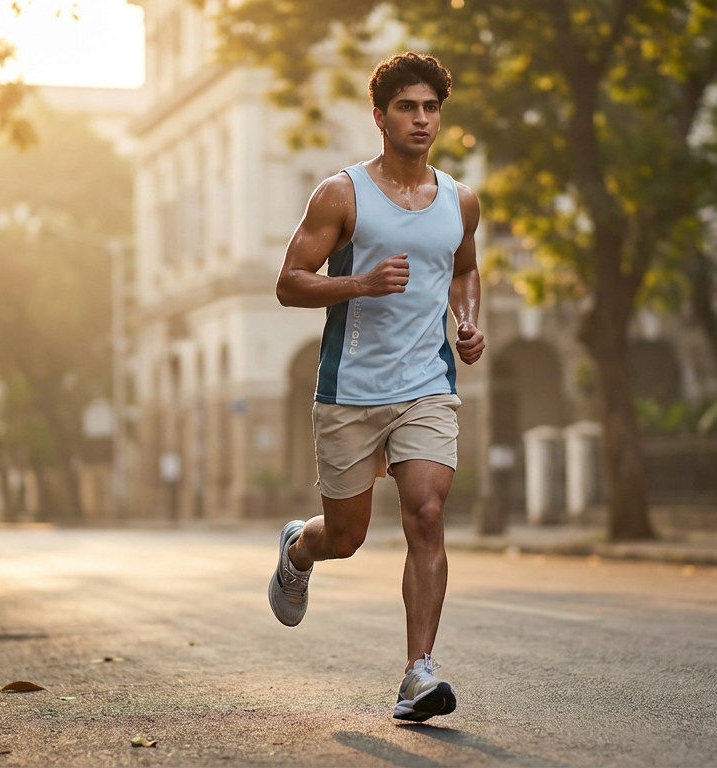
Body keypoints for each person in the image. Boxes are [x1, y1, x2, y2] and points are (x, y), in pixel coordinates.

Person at [268, 51, 484, 723]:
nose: (421, 120)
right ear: (380, 116)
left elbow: (463, 269)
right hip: (350, 389)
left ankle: (418, 674)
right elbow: (288, 282)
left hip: (426, 384)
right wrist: (358, 283)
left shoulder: (459, 199)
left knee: (425, 513)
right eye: (407, 108)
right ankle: (299, 550)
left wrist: (468, 321)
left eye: (430, 108)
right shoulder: (342, 194)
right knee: (347, 535)